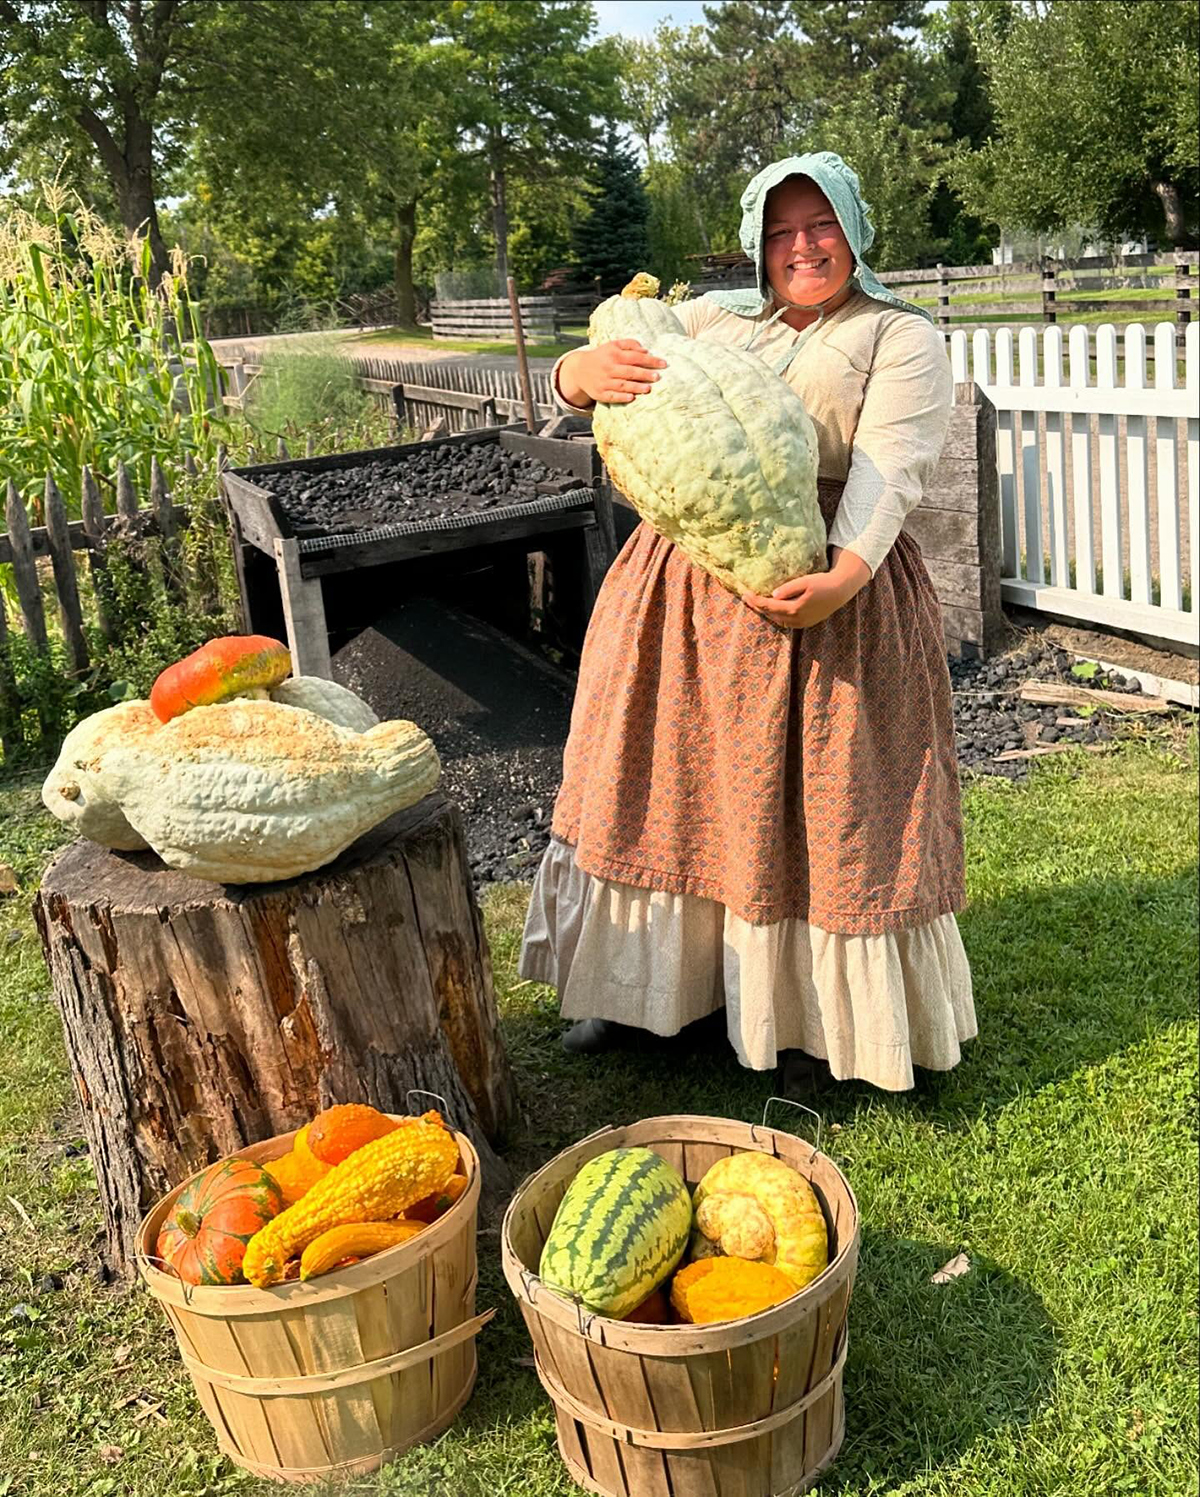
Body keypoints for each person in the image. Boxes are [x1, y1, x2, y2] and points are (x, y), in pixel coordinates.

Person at [518, 152, 976, 1093]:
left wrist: (842, 575)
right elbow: (591, 379)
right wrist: (575, 370)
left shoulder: (898, 337)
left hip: (822, 592)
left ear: (854, 228)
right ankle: (634, 988)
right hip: (676, 599)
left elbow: (891, 469)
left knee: (824, 804)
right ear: (755, 243)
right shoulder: (713, 321)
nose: (802, 247)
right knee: (657, 783)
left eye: (820, 226)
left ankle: (815, 1020)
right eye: (780, 232)